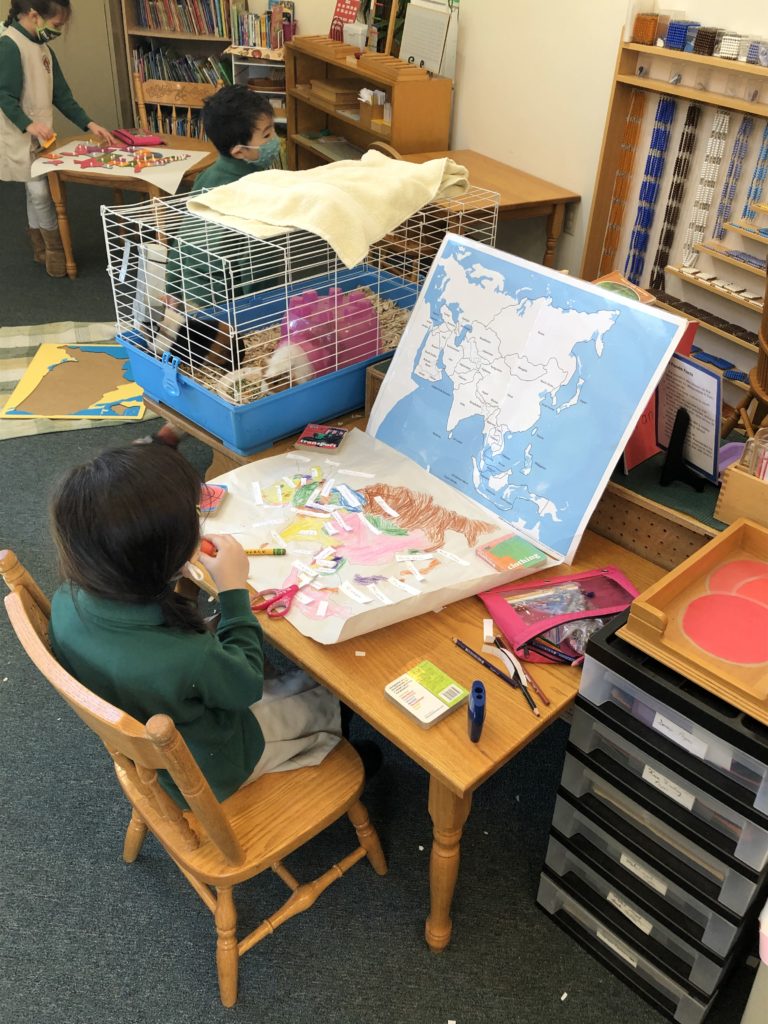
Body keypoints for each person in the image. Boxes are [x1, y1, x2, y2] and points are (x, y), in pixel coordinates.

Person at [48, 444, 342, 807]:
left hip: (151, 728)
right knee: (329, 697)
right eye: (192, 518)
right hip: (212, 766)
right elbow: (246, 686)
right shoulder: (188, 658)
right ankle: (333, 745)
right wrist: (233, 590)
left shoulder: (66, 598)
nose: (197, 520)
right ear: (162, 556)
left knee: (283, 679)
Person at [136, 85, 282, 448]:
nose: (276, 140)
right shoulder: (226, 189)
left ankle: (175, 429)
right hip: (223, 298)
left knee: (214, 360)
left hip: (228, 293)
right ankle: (194, 425)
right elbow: (203, 248)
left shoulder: (235, 173)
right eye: (267, 135)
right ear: (240, 150)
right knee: (218, 363)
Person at [0, 0, 114, 277]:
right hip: (18, 132)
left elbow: (61, 95)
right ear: (33, 15)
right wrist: (28, 125)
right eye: (56, 25)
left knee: (34, 187)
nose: (58, 31)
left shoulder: (44, 49)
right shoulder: (9, 44)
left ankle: (40, 246)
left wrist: (90, 123)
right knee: (39, 190)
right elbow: (4, 95)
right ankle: (54, 249)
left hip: (39, 133)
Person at [193, 84, 281, 191]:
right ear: (239, 152)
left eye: (273, 129)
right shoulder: (236, 190)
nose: (275, 138)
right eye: (267, 135)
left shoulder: (243, 168)